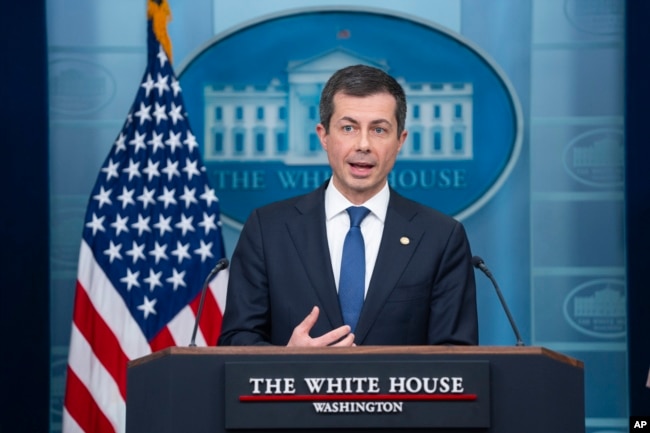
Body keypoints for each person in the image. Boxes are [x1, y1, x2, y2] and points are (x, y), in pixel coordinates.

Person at [218, 64, 478, 347]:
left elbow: (457, 358)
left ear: (400, 140)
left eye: (379, 129)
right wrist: (286, 360)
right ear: (324, 136)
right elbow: (236, 341)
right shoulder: (268, 229)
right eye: (348, 128)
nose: (363, 144)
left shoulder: (440, 237)